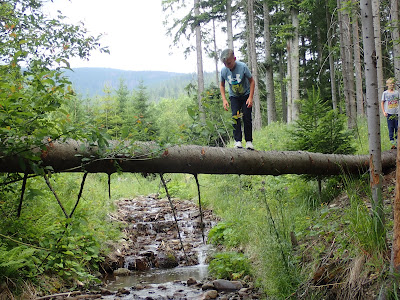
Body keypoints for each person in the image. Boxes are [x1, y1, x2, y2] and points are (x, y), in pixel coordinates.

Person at [219, 49, 255, 150]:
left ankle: (249, 141)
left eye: (229, 63)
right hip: (234, 96)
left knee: (247, 117)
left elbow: (252, 81)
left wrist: (250, 97)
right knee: (235, 117)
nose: (227, 65)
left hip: (246, 95)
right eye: (225, 64)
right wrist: (224, 99)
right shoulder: (223, 71)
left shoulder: (242, 67)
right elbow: (222, 85)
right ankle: (238, 141)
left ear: (234, 59)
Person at [381, 77, 400, 149]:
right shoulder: (385, 93)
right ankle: (393, 144)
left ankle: (398, 143)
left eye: (393, 84)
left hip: (397, 113)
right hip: (389, 113)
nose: (392, 85)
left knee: (397, 128)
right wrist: (384, 112)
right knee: (391, 128)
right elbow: (382, 102)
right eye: (390, 84)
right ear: (387, 85)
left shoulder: (397, 93)